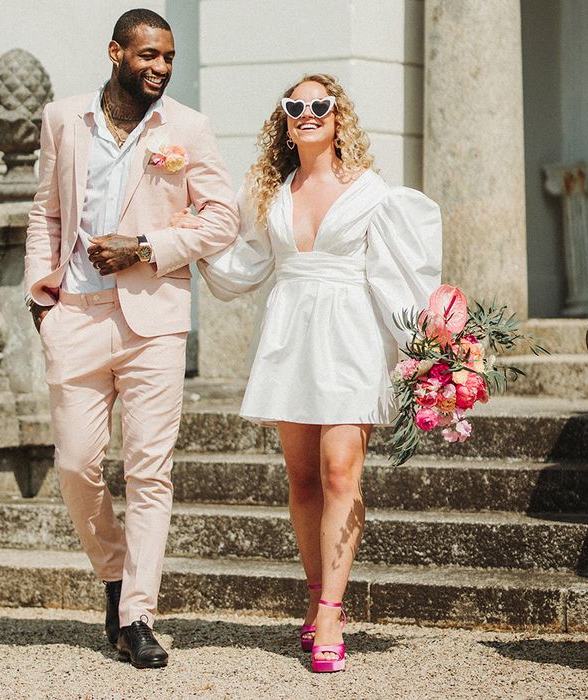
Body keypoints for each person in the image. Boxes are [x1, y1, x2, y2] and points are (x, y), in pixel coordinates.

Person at [173, 73, 441, 673]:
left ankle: (328, 614)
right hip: (290, 336)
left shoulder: (372, 191)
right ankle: (321, 596)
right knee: (301, 481)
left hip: (350, 337)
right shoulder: (271, 192)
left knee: (340, 472)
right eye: (295, 106)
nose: (307, 112)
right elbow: (244, 263)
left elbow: (398, 274)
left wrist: (430, 347)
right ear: (286, 122)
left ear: (338, 116)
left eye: (319, 104)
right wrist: (187, 237)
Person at [24, 8, 237, 669]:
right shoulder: (64, 119)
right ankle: (114, 579)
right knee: (76, 467)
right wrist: (40, 297)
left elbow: (222, 219)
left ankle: (138, 614)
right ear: (115, 53)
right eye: (148, 55)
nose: (161, 67)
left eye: (168, 57)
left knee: (149, 472)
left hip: (154, 323)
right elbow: (45, 212)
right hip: (76, 318)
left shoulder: (188, 128)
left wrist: (149, 246)